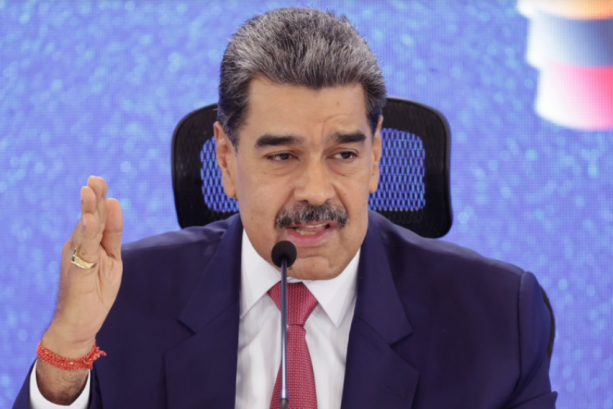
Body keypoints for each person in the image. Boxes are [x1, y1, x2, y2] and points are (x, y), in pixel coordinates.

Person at [14, 7, 557, 409]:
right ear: (226, 160)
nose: (316, 191)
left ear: (376, 157)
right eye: (282, 156)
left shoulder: (497, 319)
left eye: (344, 154)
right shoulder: (124, 298)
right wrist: (68, 349)